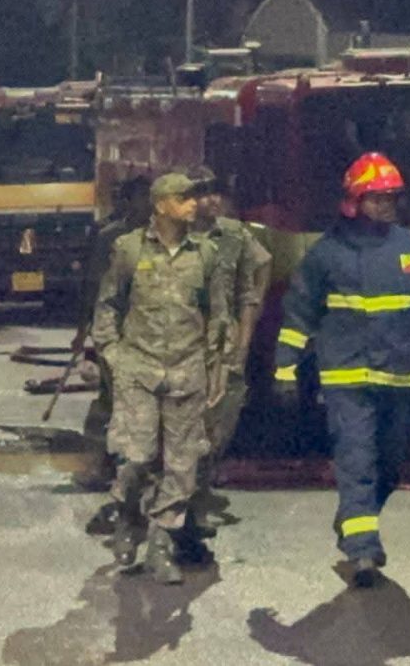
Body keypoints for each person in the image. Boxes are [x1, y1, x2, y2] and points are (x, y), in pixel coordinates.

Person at [273, 152, 410, 588]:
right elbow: (299, 315)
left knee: (391, 465)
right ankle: (362, 551)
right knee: (356, 457)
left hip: (399, 376)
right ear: (354, 200)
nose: (386, 206)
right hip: (346, 378)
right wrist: (285, 368)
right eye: (377, 198)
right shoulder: (327, 254)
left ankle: (353, 519)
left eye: (391, 198)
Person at [91, 172, 229, 584]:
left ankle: (161, 545)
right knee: (137, 457)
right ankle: (128, 515)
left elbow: (218, 315)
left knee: (182, 464)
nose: (193, 204)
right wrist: (112, 355)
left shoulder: (205, 254)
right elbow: (108, 304)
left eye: (193, 197)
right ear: (160, 205)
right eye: (183, 198)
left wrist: (216, 366)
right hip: (138, 369)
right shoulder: (129, 249)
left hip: (187, 371)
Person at [189, 165, 272, 537]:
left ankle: (200, 488)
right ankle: (185, 502)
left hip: (223, 348)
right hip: (180, 347)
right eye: (201, 193)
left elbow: (261, 268)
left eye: (215, 192)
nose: (211, 200)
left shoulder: (233, 234)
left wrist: (246, 331)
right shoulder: (169, 237)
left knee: (220, 423)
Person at [73, 176, 154, 497]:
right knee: (112, 398)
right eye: (143, 197)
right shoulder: (111, 237)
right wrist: (83, 328)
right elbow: (93, 286)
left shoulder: (164, 237)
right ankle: (101, 464)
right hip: (115, 332)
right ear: (128, 201)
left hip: (151, 332)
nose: (148, 204)